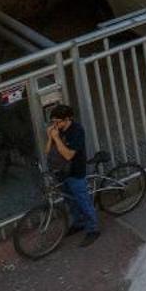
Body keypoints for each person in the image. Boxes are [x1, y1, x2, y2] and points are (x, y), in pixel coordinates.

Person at [44, 103, 99, 246]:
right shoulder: (57, 131)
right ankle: (78, 222)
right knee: (70, 201)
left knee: (83, 202)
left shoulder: (77, 131)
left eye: (58, 122)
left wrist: (56, 138)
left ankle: (93, 229)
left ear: (67, 119)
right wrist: (50, 137)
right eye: (53, 122)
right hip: (62, 173)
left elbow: (68, 155)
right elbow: (48, 152)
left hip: (75, 172)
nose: (55, 125)